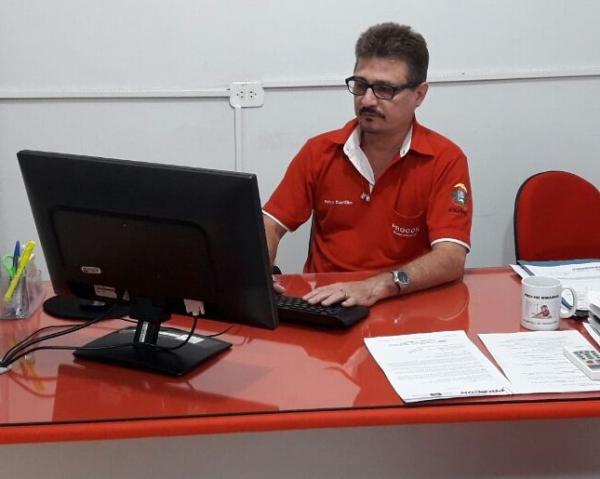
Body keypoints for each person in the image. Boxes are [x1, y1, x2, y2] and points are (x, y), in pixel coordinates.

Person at [262, 23, 472, 307]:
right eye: (360, 85)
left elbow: (450, 257)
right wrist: (257, 272)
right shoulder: (319, 151)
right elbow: (270, 224)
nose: (367, 100)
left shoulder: (445, 159)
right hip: (328, 303)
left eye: (384, 89)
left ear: (420, 95)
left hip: (405, 303)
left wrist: (379, 286)